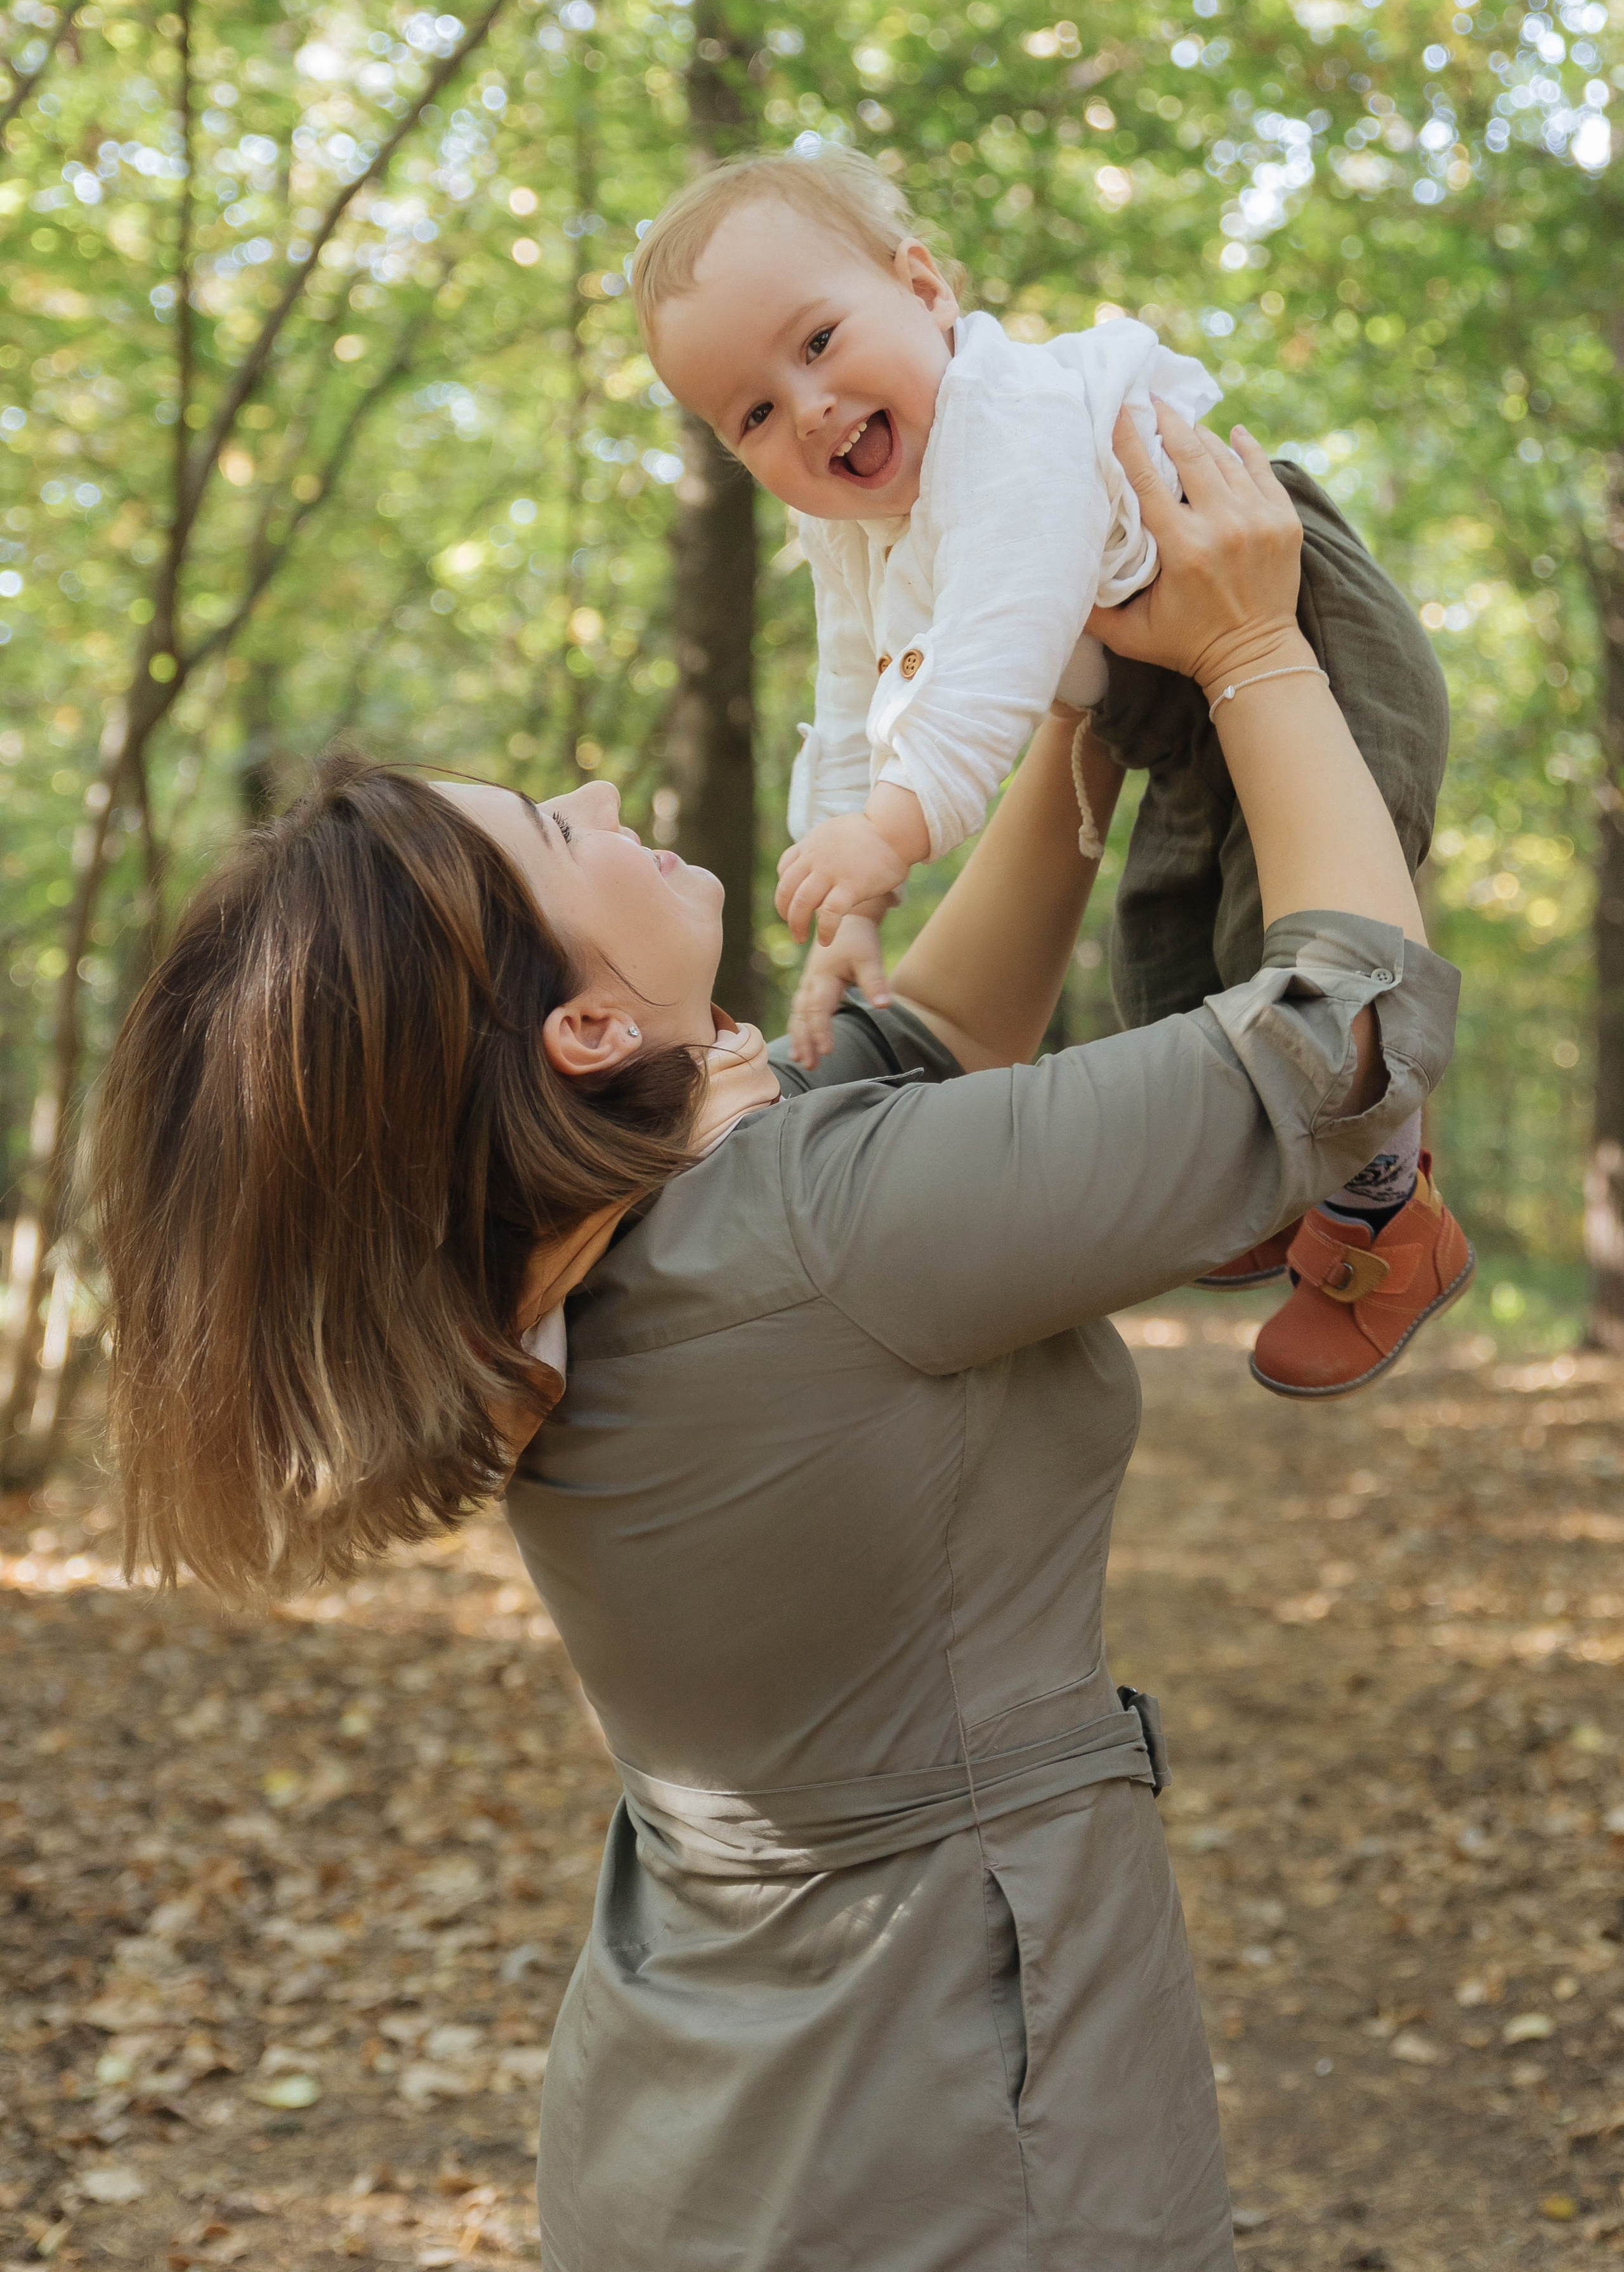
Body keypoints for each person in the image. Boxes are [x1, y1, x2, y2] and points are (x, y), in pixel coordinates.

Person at [92, 407, 1460, 2271]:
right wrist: (1253, 650)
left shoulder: (586, 1258)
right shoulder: (814, 1231)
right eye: (555, 832)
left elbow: (946, 1048)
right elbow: (1359, 1029)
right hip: (947, 2119)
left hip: (709, 2110)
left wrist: (1063, 698)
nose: (597, 798)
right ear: (579, 1033)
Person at [632, 144, 1471, 1397]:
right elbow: (853, 688)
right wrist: (851, 901)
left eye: (815, 343)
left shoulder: (1006, 421)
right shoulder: (849, 521)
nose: (803, 408)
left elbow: (998, 645)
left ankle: (1382, 1219)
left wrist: (902, 832)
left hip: (1298, 624)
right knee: (1166, 937)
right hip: (1158, 691)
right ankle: (1258, 1174)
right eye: (751, 411)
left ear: (922, 291)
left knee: (1301, 960)